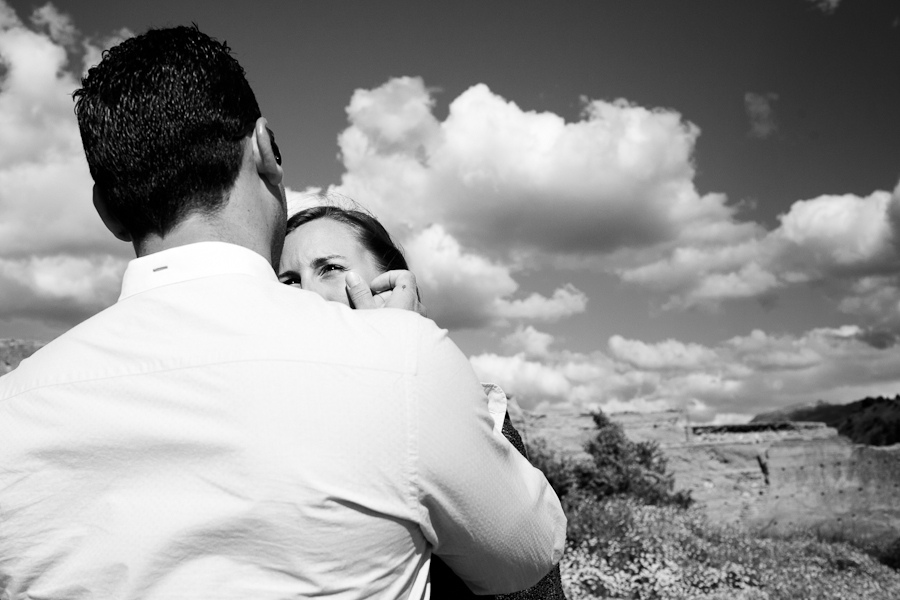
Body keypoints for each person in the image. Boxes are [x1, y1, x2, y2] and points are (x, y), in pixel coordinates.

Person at [0, 25, 566, 599]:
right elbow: (529, 556)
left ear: (106, 211)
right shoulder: (404, 359)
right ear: (266, 149)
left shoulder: (12, 414)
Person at [279, 204, 567, 600]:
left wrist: (401, 355)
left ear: (392, 286)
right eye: (289, 281)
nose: (308, 293)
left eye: (328, 268)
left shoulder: (466, 412)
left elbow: (529, 580)